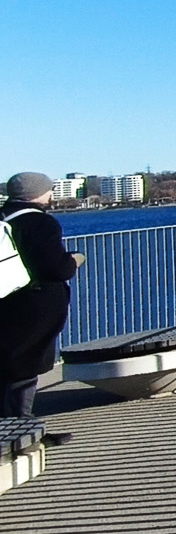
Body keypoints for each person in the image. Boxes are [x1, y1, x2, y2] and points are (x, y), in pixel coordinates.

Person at [1, 172, 82, 440]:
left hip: (6, 301)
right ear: (38, 193)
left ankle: (17, 429)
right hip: (32, 304)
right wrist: (74, 260)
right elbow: (55, 268)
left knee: (8, 366)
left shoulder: (3, 218)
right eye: (49, 190)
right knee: (25, 366)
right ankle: (21, 433)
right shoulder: (39, 222)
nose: (51, 195)